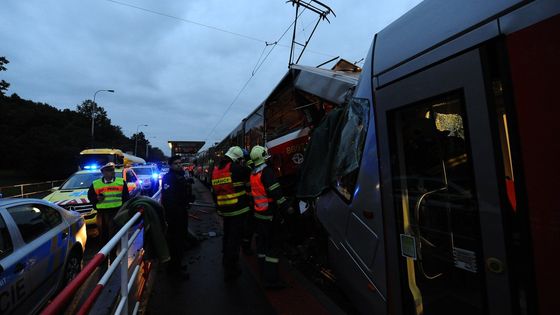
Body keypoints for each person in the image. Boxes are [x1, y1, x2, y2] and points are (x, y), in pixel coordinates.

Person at [249, 145, 290, 289]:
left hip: (259, 215)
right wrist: (287, 208)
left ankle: (263, 272)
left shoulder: (253, 173)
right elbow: (276, 193)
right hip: (270, 215)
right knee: (273, 247)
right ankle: (271, 280)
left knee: (262, 246)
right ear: (263, 156)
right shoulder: (267, 172)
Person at [211, 146, 252, 280]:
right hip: (237, 210)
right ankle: (231, 269)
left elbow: (214, 192)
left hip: (224, 211)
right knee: (234, 241)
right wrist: (246, 161)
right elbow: (250, 172)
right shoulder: (237, 169)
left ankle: (226, 262)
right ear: (237, 159)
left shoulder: (216, 170)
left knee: (227, 237)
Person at [88, 162, 130, 263]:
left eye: (112, 170)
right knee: (102, 236)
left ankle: (113, 255)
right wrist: (96, 198)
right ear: (103, 172)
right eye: (108, 171)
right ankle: (103, 257)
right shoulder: (95, 184)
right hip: (102, 214)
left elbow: (126, 198)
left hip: (116, 213)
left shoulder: (121, 182)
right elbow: (90, 197)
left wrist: (123, 212)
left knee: (114, 235)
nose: (111, 172)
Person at [162, 155, 193, 279]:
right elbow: (169, 198)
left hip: (181, 212)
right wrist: (176, 212)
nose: (179, 165)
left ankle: (177, 265)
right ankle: (175, 270)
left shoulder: (180, 176)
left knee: (180, 240)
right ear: (170, 165)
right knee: (175, 242)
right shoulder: (169, 178)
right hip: (175, 215)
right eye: (176, 163)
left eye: (180, 163)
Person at [241, 148, 255, 256]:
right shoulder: (250, 168)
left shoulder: (242, 167)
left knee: (247, 225)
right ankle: (246, 247)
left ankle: (245, 245)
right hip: (250, 201)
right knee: (249, 226)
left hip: (245, 201)